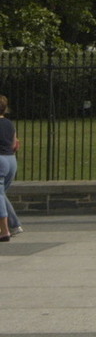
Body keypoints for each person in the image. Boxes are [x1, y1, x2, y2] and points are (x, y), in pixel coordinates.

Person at [0, 96, 20, 242]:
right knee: (1, 194)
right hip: (11, 160)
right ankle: (14, 225)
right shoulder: (9, 123)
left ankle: (5, 230)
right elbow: (15, 144)